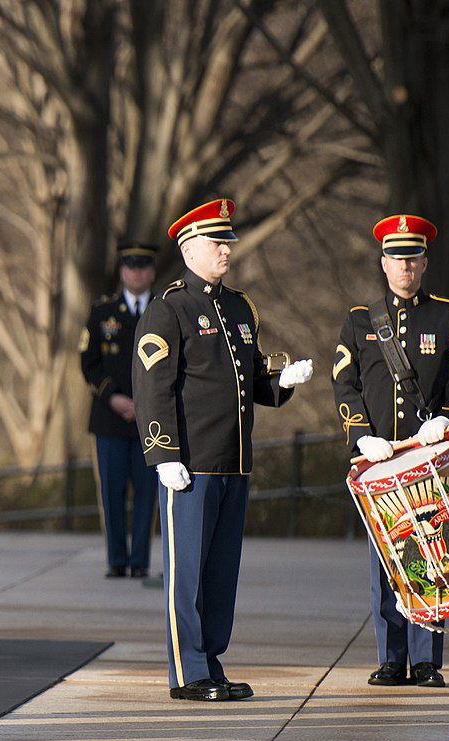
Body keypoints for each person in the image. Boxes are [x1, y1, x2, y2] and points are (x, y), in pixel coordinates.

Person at [132, 199, 312, 702]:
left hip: (234, 460)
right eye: (217, 242)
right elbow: (152, 386)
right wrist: (163, 453)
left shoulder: (238, 307)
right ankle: (188, 672)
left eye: (227, 241)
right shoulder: (169, 308)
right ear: (189, 248)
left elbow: (250, 378)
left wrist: (282, 382)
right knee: (186, 574)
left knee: (220, 574)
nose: (226, 250)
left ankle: (211, 662)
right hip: (189, 462)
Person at [331, 214, 449, 688]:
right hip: (379, 460)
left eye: (413, 258)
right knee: (386, 561)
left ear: (425, 263)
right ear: (383, 263)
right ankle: (391, 658)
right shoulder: (360, 321)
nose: (405, 267)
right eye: (396, 258)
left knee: (434, 553)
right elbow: (344, 383)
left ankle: (426, 660)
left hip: (427, 458)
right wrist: (361, 435)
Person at [80, 241, 158, 579]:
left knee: (147, 493)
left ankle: (139, 561)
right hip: (110, 418)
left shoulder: (164, 309)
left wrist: (146, 402)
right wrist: (113, 397)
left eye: (143, 266)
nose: (136, 273)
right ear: (122, 271)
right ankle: (116, 559)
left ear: (151, 271)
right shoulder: (102, 312)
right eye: (130, 266)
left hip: (152, 421)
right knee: (112, 493)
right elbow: (89, 362)